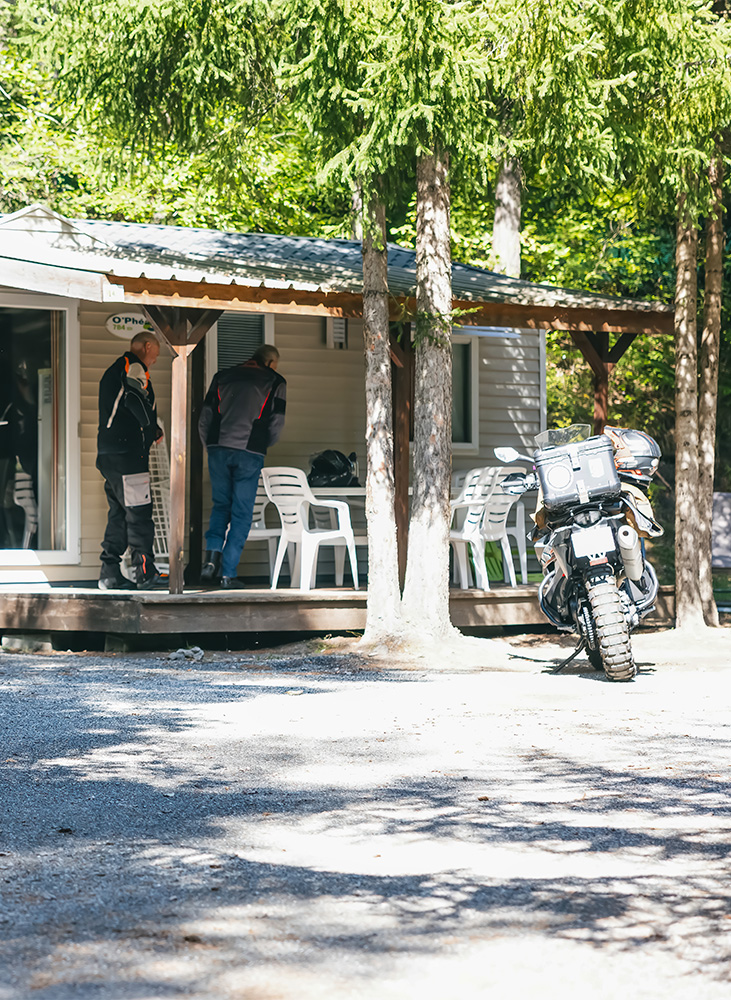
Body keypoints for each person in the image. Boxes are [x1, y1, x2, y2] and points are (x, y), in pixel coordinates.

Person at [198, 344, 286, 588]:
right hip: (249, 452)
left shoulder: (222, 377)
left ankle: (210, 560)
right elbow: (276, 423)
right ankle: (228, 573)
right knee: (241, 513)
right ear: (269, 363)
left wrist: (210, 446)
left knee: (220, 506)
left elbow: (205, 417)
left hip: (217, 449)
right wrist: (261, 444)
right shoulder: (275, 381)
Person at [96, 332, 163, 590]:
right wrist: (150, 426)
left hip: (110, 455)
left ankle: (109, 573)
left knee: (120, 515)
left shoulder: (116, 369)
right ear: (147, 347)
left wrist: (151, 430)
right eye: (155, 353)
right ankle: (144, 573)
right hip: (128, 457)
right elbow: (134, 398)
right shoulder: (134, 366)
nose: (155, 360)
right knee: (138, 514)